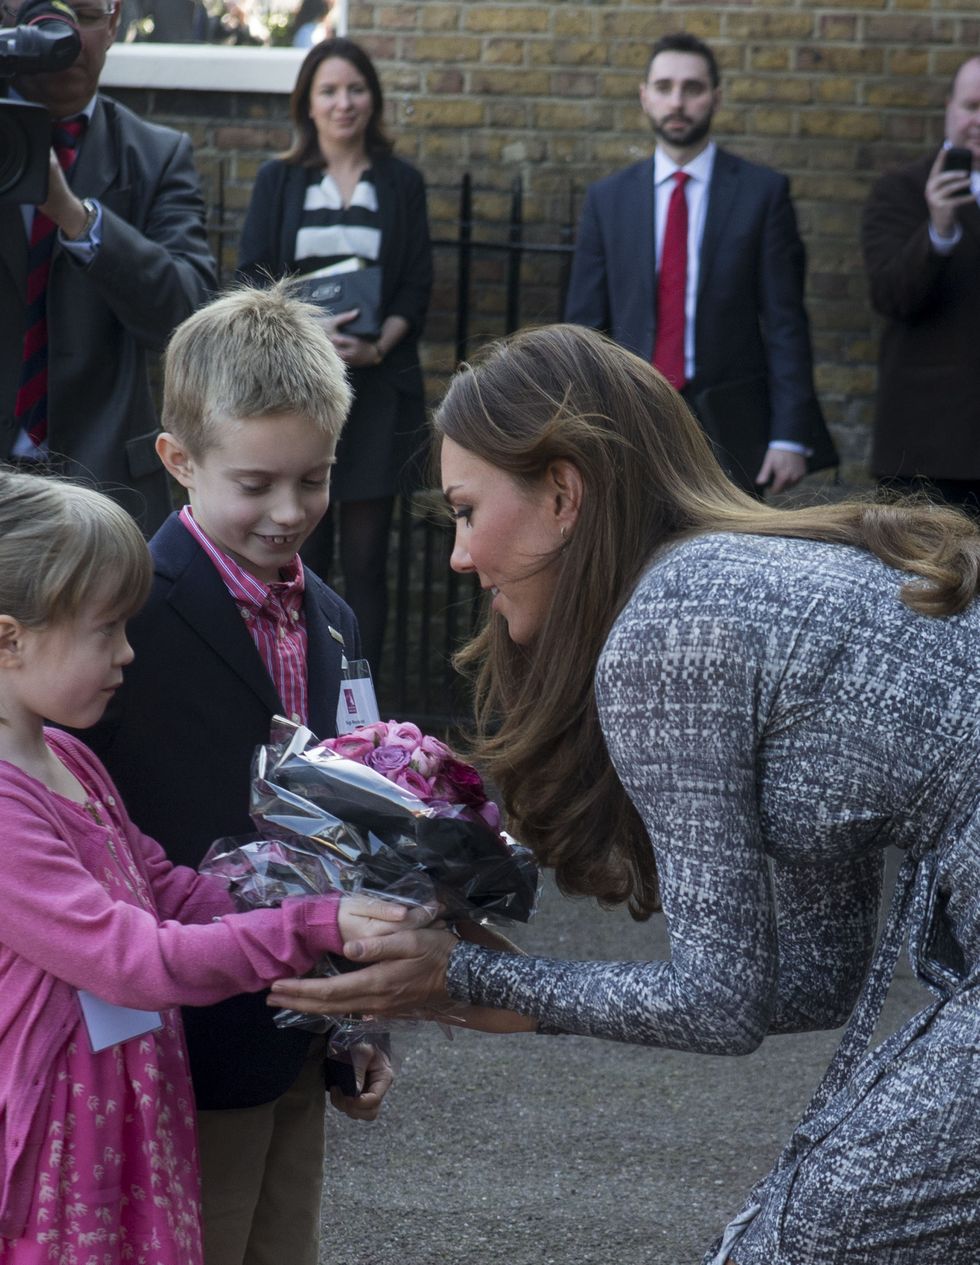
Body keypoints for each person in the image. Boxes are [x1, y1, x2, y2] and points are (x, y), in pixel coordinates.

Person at [270, 323, 980, 1263]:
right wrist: (509, 990)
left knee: (797, 1242)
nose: (458, 555)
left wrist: (467, 977)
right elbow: (810, 979)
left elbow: (719, 1001)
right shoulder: (728, 588)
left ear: (563, 495)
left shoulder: (669, 628)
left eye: (465, 510)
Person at [0, 467, 409, 1263]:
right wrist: (308, 925)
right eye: (105, 630)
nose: (127, 652)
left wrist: (311, 895)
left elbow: (167, 887)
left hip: (122, 1105)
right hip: (57, 1133)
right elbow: (133, 957)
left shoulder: (73, 759)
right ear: (8, 637)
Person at [73, 281, 394, 1265]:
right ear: (177, 460)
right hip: (169, 1038)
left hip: (303, 1028)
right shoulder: (121, 613)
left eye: (314, 477)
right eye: (254, 483)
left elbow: (353, 815)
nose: (288, 511)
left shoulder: (332, 615)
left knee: (281, 1240)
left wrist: (365, 1015)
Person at [565, 31, 835, 496]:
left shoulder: (761, 194)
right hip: (632, 422)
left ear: (716, 97)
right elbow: (584, 330)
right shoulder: (608, 200)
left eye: (693, 88)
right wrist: (583, 432)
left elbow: (786, 323)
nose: (678, 101)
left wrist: (789, 434)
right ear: (644, 96)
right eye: (665, 87)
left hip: (734, 427)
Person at [237, 37, 433, 677]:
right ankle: (301, 685)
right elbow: (252, 277)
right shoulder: (280, 179)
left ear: (372, 99)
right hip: (297, 394)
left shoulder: (401, 182)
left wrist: (377, 345)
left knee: (370, 558)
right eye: (329, 90)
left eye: (355, 89)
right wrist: (304, 338)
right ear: (308, 103)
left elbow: (417, 283)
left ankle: (361, 705)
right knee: (300, 552)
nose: (343, 102)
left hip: (375, 393)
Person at [0, 0, 216, 533]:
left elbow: (188, 315)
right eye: (46, 18)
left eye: (87, 15)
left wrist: (74, 215)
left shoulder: (155, 155)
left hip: (105, 487)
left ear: (115, 25)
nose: (66, 37)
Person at [861, 55, 980, 515]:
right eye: (971, 105)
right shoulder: (902, 190)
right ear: (949, 108)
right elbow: (891, 296)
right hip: (929, 451)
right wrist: (938, 231)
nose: (978, 120)